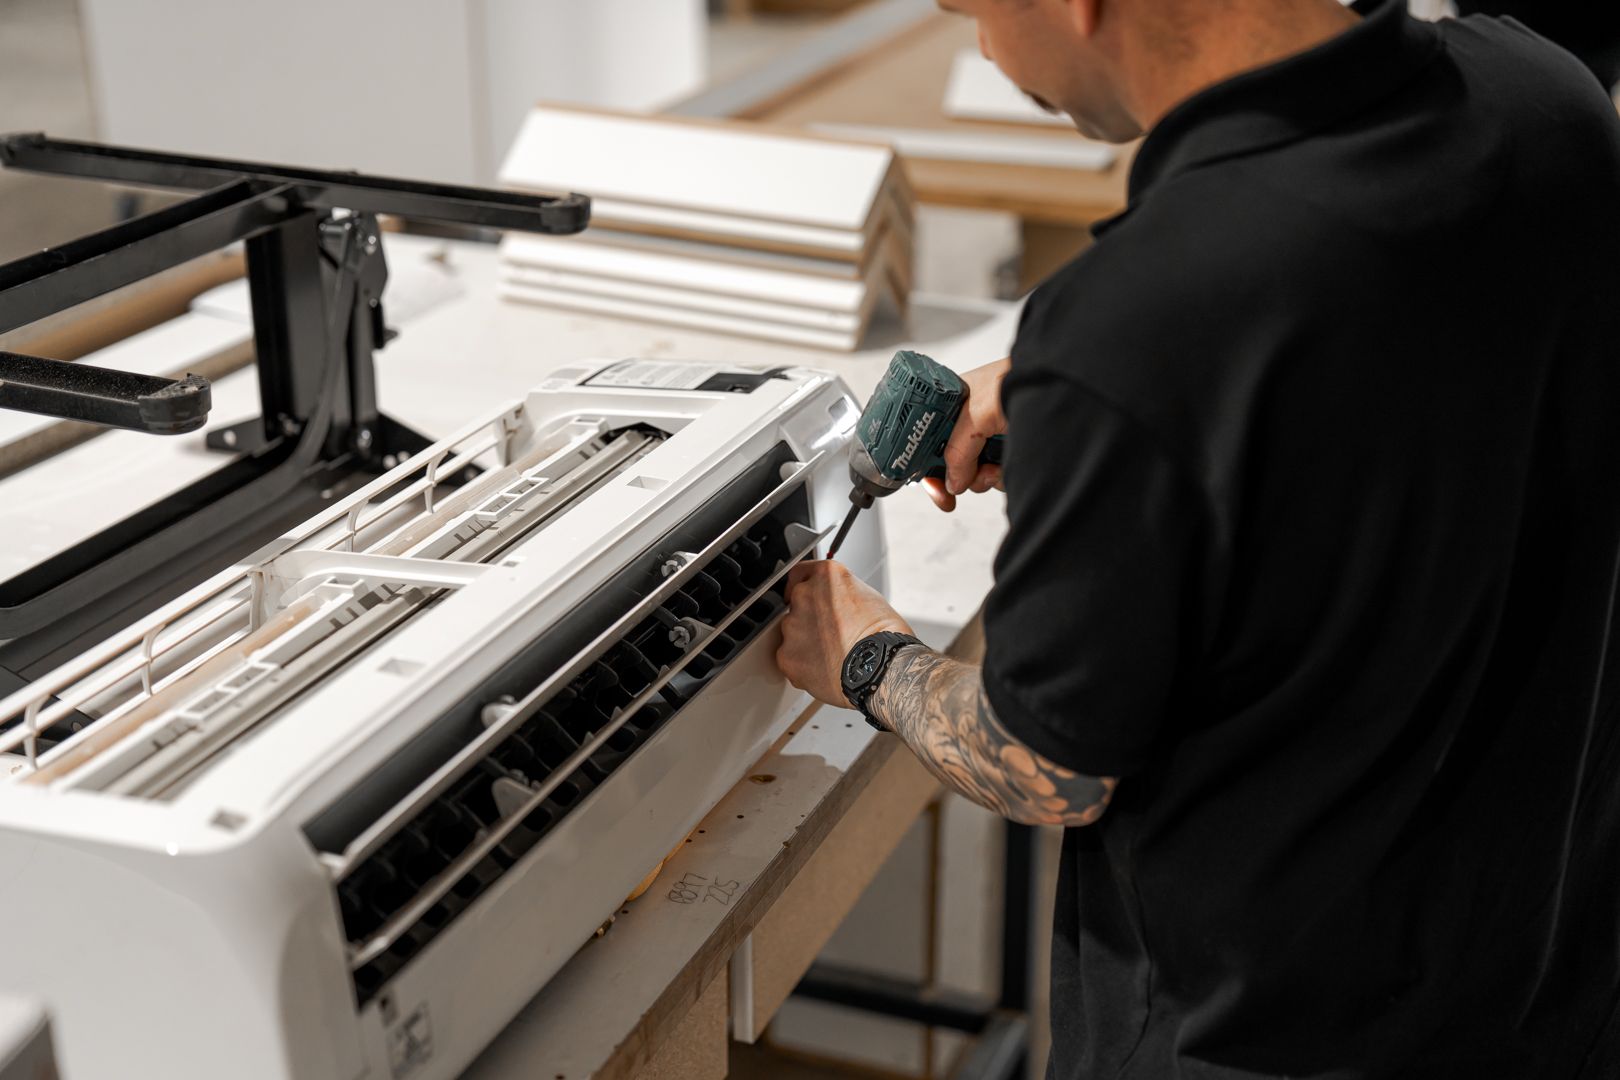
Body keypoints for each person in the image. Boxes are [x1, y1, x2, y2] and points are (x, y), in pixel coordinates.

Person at [774, 0, 1620, 1076]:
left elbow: (1047, 769)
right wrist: (1129, 443)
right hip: (1544, 997)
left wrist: (868, 657)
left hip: (1262, 1036)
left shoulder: (1141, 317)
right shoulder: (1546, 101)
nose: (981, 49)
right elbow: (1399, 399)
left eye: (971, 8)